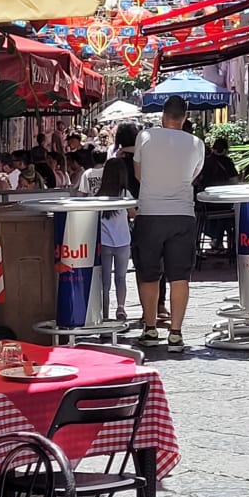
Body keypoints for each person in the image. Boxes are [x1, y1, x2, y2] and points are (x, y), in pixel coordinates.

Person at [132, 95, 205, 352]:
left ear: (163, 115)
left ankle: (150, 329)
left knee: (148, 274)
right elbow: (193, 176)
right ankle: (176, 333)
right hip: (183, 214)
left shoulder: (145, 137)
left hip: (150, 212)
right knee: (180, 276)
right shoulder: (196, 143)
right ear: (185, 117)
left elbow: (138, 174)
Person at [96, 158, 136, 322]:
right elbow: (133, 213)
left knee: (104, 280)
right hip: (123, 241)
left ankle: (104, 313)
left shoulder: (98, 195)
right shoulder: (125, 194)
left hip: (104, 242)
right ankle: (120, 308)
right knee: (121, 277)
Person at [113, 121, 140, 197]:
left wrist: (122, 149)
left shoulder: (117, 159)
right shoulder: (143, 155)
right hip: (142, 196)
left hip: (123, 199)